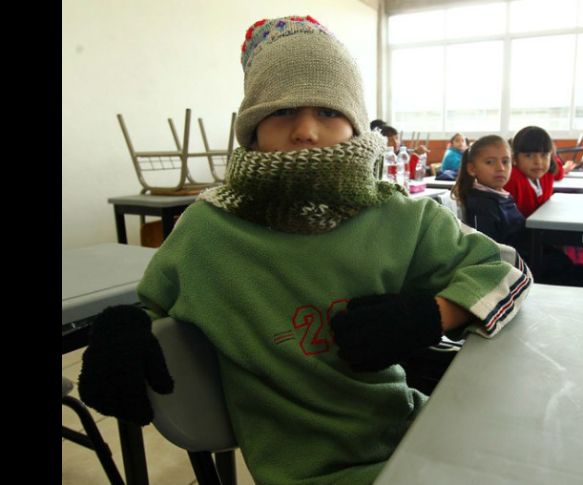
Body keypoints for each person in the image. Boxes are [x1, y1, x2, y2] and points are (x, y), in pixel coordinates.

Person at [78, 15, 532, 485]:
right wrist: (125, 333)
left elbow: (507, 270)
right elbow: (153, 311)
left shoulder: (400, 218)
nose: (306, 131)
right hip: (304, 474)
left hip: (417, 439)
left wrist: (435, 314)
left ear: (356, 126)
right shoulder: (208, 231)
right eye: (282, 111)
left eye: (330, 112)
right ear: (252, 129)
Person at [504, 126, 583, 291]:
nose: (538, 162)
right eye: (528, 155)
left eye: (544, 155)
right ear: (515, 159)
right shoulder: (514, 179)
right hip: (528, 254)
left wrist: (556, 162)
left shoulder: (546, 175)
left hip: (545, 245)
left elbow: (558, 172)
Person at [451, 134, 525, 249]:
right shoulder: (481, 205)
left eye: (505, 161)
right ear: (472, 169)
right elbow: (487, 250)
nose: (501, 168)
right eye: (490, 162)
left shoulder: (501, 195)